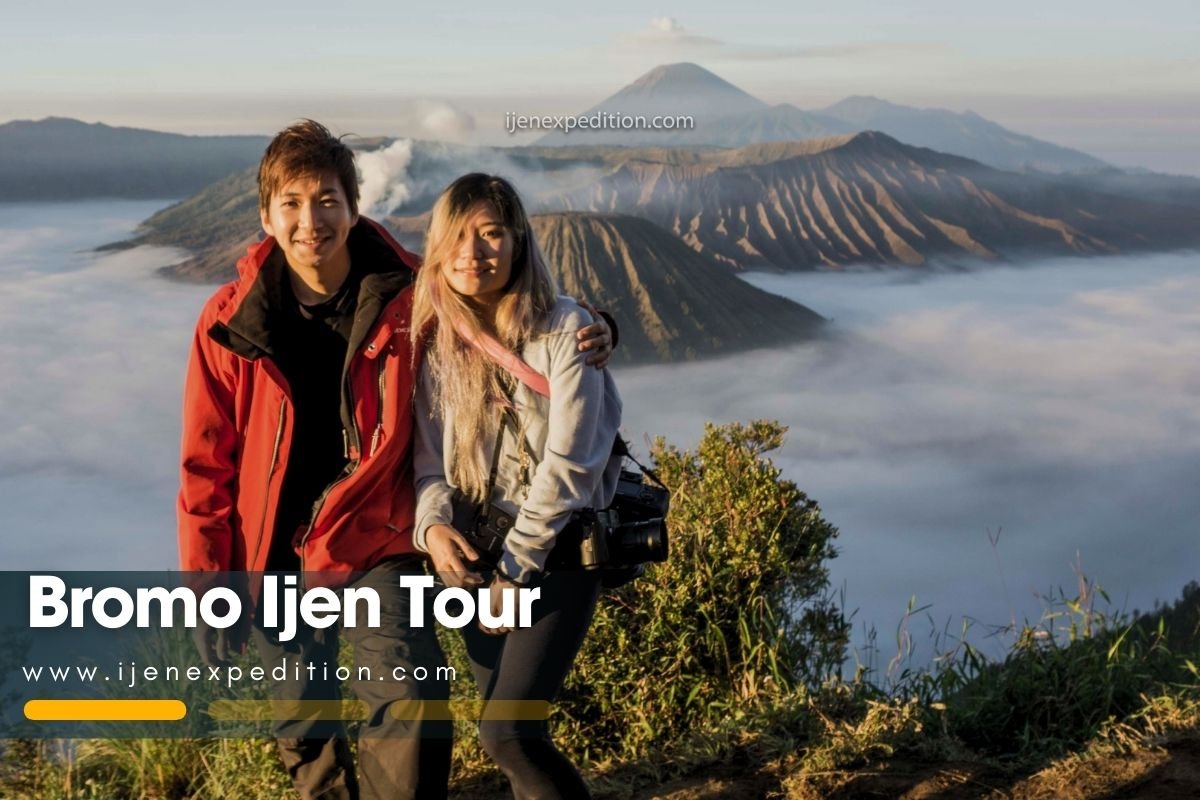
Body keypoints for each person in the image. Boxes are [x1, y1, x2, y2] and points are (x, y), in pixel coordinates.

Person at [177, 121, 613, 800]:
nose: (309, 220)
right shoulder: (227, 324)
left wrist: (596, 324)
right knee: (305, 727)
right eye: (290, 203)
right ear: (265, 216)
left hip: (377, 536)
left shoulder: (414, 293)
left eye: (326, 200)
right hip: (272, 554)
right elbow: (207, 467)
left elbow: (508, 315)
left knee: (409, 701)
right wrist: (210, 589)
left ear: (355, 208)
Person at [412, 173, 623, 799]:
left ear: (518, 242)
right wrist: (434, 528)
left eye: (491, 234)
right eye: (458, 237)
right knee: (503, 729)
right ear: (437, 247)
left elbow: (572, 463)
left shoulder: (567, 331)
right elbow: (428, 463)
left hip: (550, 554)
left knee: (510, 734)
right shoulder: (434, 344)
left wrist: (514, 571)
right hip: (474, 557)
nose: (473, 253)